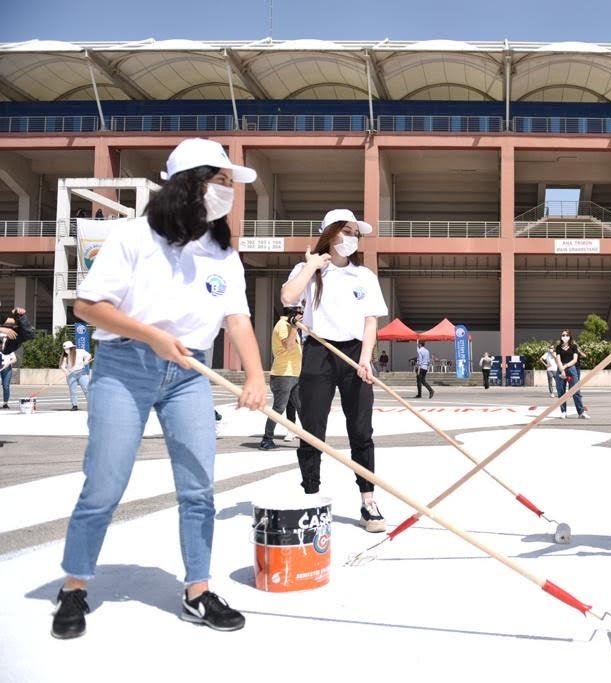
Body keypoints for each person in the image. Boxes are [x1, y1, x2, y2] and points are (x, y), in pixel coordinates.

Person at [53, 138, 265, 639]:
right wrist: (151, 336)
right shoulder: (132, 237)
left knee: (198, 488)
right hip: (125, 368)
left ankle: (197, 591)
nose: (227, 192)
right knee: (105, 483)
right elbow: (88, 306)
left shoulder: (222, 253)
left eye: (230, 184)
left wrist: (255, 376)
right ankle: (75, 587)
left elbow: (237, 318)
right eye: (220, 181)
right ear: (187, 185)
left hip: (190, 375)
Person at [281, 208, 388, 533]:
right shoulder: (308, 269)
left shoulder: (364, 276)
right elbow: (287, 296)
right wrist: (312, 265)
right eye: (346, 231)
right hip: (319, 350)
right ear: (330, 233)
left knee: (361, 429)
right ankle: (311, 498)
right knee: (312, 429)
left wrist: (366, 358)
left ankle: (368, 502)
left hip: (355, 353)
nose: (352, 238)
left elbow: (371, 319)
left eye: (356, 233)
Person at [259, 306, 303, 450]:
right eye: (300, 313)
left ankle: (311, 439)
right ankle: (267, 439)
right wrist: (295, 327)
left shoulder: (290, 326)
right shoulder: (283, 325)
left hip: (294, 374)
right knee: (278, 408)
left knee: (302, 408)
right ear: (293, 314)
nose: (302, 316)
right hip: (283, 375)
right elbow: (288, 346)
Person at [554, 329, 589, 419]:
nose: (564, 337)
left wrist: (565, 367)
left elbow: (575, 360)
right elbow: (558, 358)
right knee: (561, 391)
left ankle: (581, 412)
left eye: (566, 335)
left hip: (571, 368)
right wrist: (561, 369)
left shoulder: (574, 346)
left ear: (569, 336)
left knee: (576, 390)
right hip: (560, 368)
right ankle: (563, 412)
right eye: (563, 335)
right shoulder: (558, 347)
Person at [59, 341, 92, 411]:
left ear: (72, 348)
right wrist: (66, 371)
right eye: (65, 349)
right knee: (73, 390)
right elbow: (62, 366)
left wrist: (86, 360)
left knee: (86, 389)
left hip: (82, 373)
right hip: (71, 375)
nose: (66, 350)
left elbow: (89, 355)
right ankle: (74, 405)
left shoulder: (80, 351)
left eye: (67, 349)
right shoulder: (65, 356)